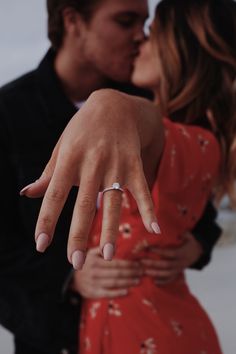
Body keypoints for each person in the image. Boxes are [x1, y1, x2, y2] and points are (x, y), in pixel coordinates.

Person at [0, 0, 221, 353]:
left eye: (147, 24)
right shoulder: (8, 112)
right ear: (73, 21)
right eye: (125, 21)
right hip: (52, 335)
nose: (140, 36)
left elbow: (193, 199)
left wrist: (200, 243)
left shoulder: (141, 99)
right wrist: (68, 278)